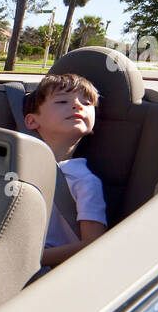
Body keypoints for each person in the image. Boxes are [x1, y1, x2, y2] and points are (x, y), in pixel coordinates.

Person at [22, 72, 107, 267]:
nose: (78, 105)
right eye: (62, 102)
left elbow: (92, 244)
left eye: (87, 103)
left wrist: (32, 260)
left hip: (47, 270)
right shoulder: (17, 166)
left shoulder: (84, 181)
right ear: (32, 121)